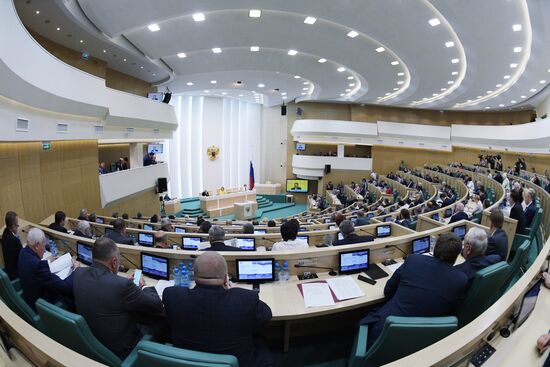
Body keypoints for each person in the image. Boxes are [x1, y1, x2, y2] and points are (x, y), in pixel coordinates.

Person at [163, 252, 273, 367]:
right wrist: (235, 291)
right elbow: (266, 316)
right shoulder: (246, 298)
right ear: (226, 278)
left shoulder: (172, 296)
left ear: (193, 275)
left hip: (186, 362)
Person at [359, 233, 468, 347]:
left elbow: (388, 291)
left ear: (435, 248)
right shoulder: (461, 280)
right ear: (456, 256)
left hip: (384, 335)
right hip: (425, 341)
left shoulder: (413, 260)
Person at [73, 237, 164, 359]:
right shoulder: (122, 285)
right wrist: (144, 286)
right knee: (160, 322)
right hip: (120, 350)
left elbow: (105, 286)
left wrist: (122, 282)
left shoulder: (78, 273)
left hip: (91, 342)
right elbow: (156, 305)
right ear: (114, 262)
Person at [18, 228, 75, 310]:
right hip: (41, 305)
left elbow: (34, 264)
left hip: (29, 297)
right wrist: (75, 270)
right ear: (37, 246)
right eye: (44, 245)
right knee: (70, 292)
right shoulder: (38, 266)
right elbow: (64, 286)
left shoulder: (23, 252)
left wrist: (47, 261)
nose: (45, 250)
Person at [1, 211, 22, 280]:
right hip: (17, 275)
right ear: (13, 225)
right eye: (17, 225)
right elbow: (24, 258)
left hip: (10, 272)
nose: (17, 227)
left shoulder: (5, 234)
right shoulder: (14, 240)